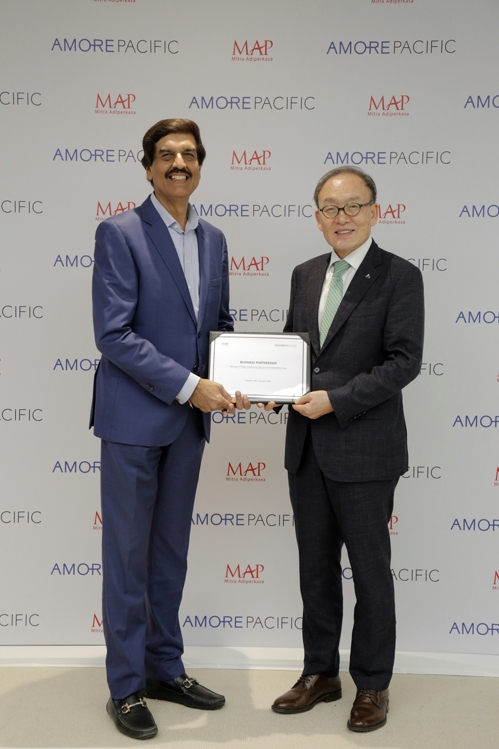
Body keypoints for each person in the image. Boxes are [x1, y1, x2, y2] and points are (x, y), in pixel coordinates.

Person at [90, 118, 249, 740]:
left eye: (188, 154)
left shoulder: (214, 239)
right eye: (166, 154)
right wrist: (190, 385)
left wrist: (240, 378)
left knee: (168, 555)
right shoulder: (119, 232)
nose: (178, 163)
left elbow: (219, 325)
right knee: (127, 559)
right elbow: (114, 334)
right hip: (134, 420)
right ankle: (126, 688)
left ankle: (164, 667)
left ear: (200, 164)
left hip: (189, 425)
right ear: (149, 166)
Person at [268, 166, 424, 732]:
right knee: (315, 570)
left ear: (375, 211)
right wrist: (272, 389)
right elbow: (295, 348)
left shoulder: (400, 276)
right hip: (307, 448)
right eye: (331, 209)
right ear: (317, 217)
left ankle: (373, 684)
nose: (342, 217)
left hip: (365, 450)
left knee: (371, 574)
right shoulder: (305, 274)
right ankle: (320, 673)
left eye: (353, 206)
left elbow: (404, 362)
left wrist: (336, 400)